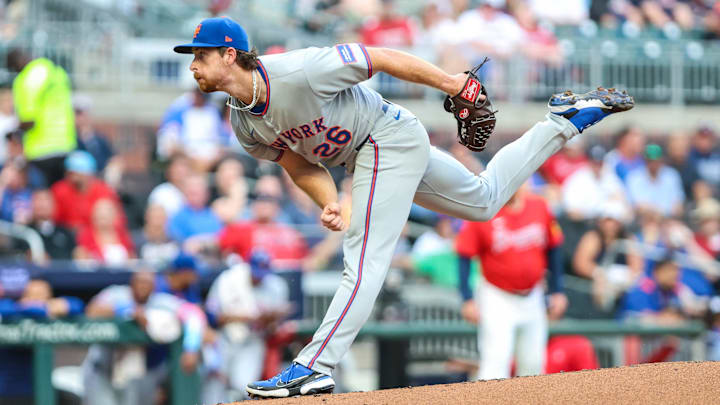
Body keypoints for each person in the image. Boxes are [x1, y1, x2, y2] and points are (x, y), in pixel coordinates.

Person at [172, 16, 632, 397]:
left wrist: (453, 83)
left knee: (364, 260)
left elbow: (379, 58)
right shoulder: (243, 123)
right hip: (371, 151)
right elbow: (298, 163)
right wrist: (331, 200)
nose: (193, 65)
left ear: (230, 54)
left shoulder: (298, 71)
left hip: (383, 138)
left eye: (200, 54)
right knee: (484, 200)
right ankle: (563, 123)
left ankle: (314, 365)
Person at [455, 185, 567, 380]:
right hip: (497, 296)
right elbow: (464, 255)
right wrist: (467, 298)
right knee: (496, 361)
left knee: (533, 363)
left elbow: (554, 249)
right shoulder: (483, 211)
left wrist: (558, 290)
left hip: (533, 296)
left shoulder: (539, 206)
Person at [83, 271, 206, 405]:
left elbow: (193, 313)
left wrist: (191, 347)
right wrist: (128, 311)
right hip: (102, 369)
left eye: (148, 283)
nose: (143, 286)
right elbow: (92, 311)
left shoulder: (160, 302)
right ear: (132, 283)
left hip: (135, 374)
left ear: (154, 287)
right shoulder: (116, 294)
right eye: (140, 282)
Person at [202, 251, 290, 403]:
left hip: (253, 340)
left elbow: (275, 325)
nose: (259, 277)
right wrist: (246, 317)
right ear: (249, 266)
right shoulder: (229, 280)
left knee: (243, 387)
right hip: (224, 338)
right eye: (256, 271)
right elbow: (212, 315)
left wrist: (271, 319)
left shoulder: (275, 285)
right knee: (215, 383)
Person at [0, 279, 83, 404]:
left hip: (39, 388)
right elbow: (6, 308)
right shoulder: (10, 310)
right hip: (9, 391)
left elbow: (76, 305)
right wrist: (38, 309)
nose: (36, 299)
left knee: (72, 400)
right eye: (32, 295)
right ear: (24, 296)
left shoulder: (46, 311)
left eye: (42, 296)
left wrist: (47, 307)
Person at [7, 49, 77, 186]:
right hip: (65, 144)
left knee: (42, 197)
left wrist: (14, 130)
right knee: (58, 194)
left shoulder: (26, 78)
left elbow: (29, 120)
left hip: (41, 148)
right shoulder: (57, 72)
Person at [626, 143, 685, 218]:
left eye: (656, 160)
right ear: (645, 160)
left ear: (662, 160)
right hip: (643, 220)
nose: (653, 164)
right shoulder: (634, 177)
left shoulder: (672, 175)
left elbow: (678, 204)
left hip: (669, 220)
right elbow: (638, 206)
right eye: (650, 160)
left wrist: (668, 214)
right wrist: (656, 212)